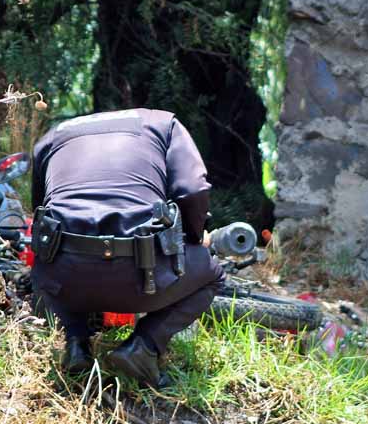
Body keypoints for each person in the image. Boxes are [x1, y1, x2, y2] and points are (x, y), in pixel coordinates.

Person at [30, 108, 224, 387]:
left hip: (65, 281)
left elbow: (41, 216)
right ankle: (143, 347)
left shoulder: (52, 137)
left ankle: (76, 344)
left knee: (54, 253)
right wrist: (194, 240)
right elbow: (192, 191)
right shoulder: (165, 125)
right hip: (140, 278)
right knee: (212, 274)